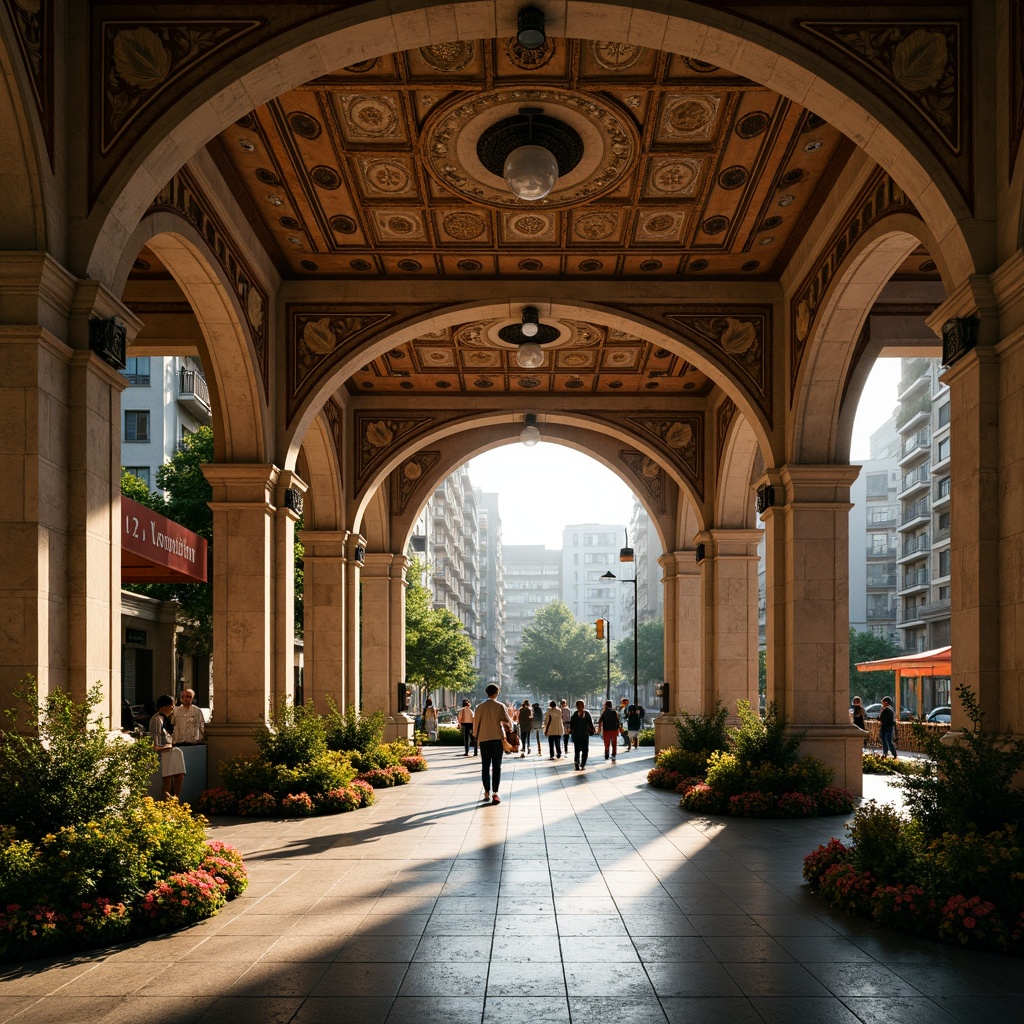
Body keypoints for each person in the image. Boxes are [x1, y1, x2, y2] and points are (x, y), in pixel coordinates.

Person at [472, 684, 514, 804]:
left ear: (487, 693)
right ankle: (495, 793)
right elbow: (509, 722)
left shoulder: (479, 707)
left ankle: (486, 791)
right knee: (497, 766)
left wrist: (476, 736)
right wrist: (506, 725)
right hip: (496, 739)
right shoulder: (500, 706)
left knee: (485, 766)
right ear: (497, 693)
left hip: (484, 739)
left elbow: (475, 725)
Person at [149, 694, 185, 799]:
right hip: (162, 753)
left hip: (169, 751)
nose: (173, 708)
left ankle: (176, 798)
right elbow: (155, 745)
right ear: (164, 707)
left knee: (179, 774)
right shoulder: (156, 720)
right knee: (167, 778)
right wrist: (168, 746)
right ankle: (167, 799)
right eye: (171, 705)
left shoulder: (163, 719)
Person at [569, 700, 595, 770]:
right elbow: (590, 724)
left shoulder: (575, 715)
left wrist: (571, 731)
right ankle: (582, 764)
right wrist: (592, 730)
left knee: (577, 750)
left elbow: (571, 726)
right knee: (585, 750)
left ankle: (577, 763)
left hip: (577, 735)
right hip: (584, 735)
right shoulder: (586, 714)